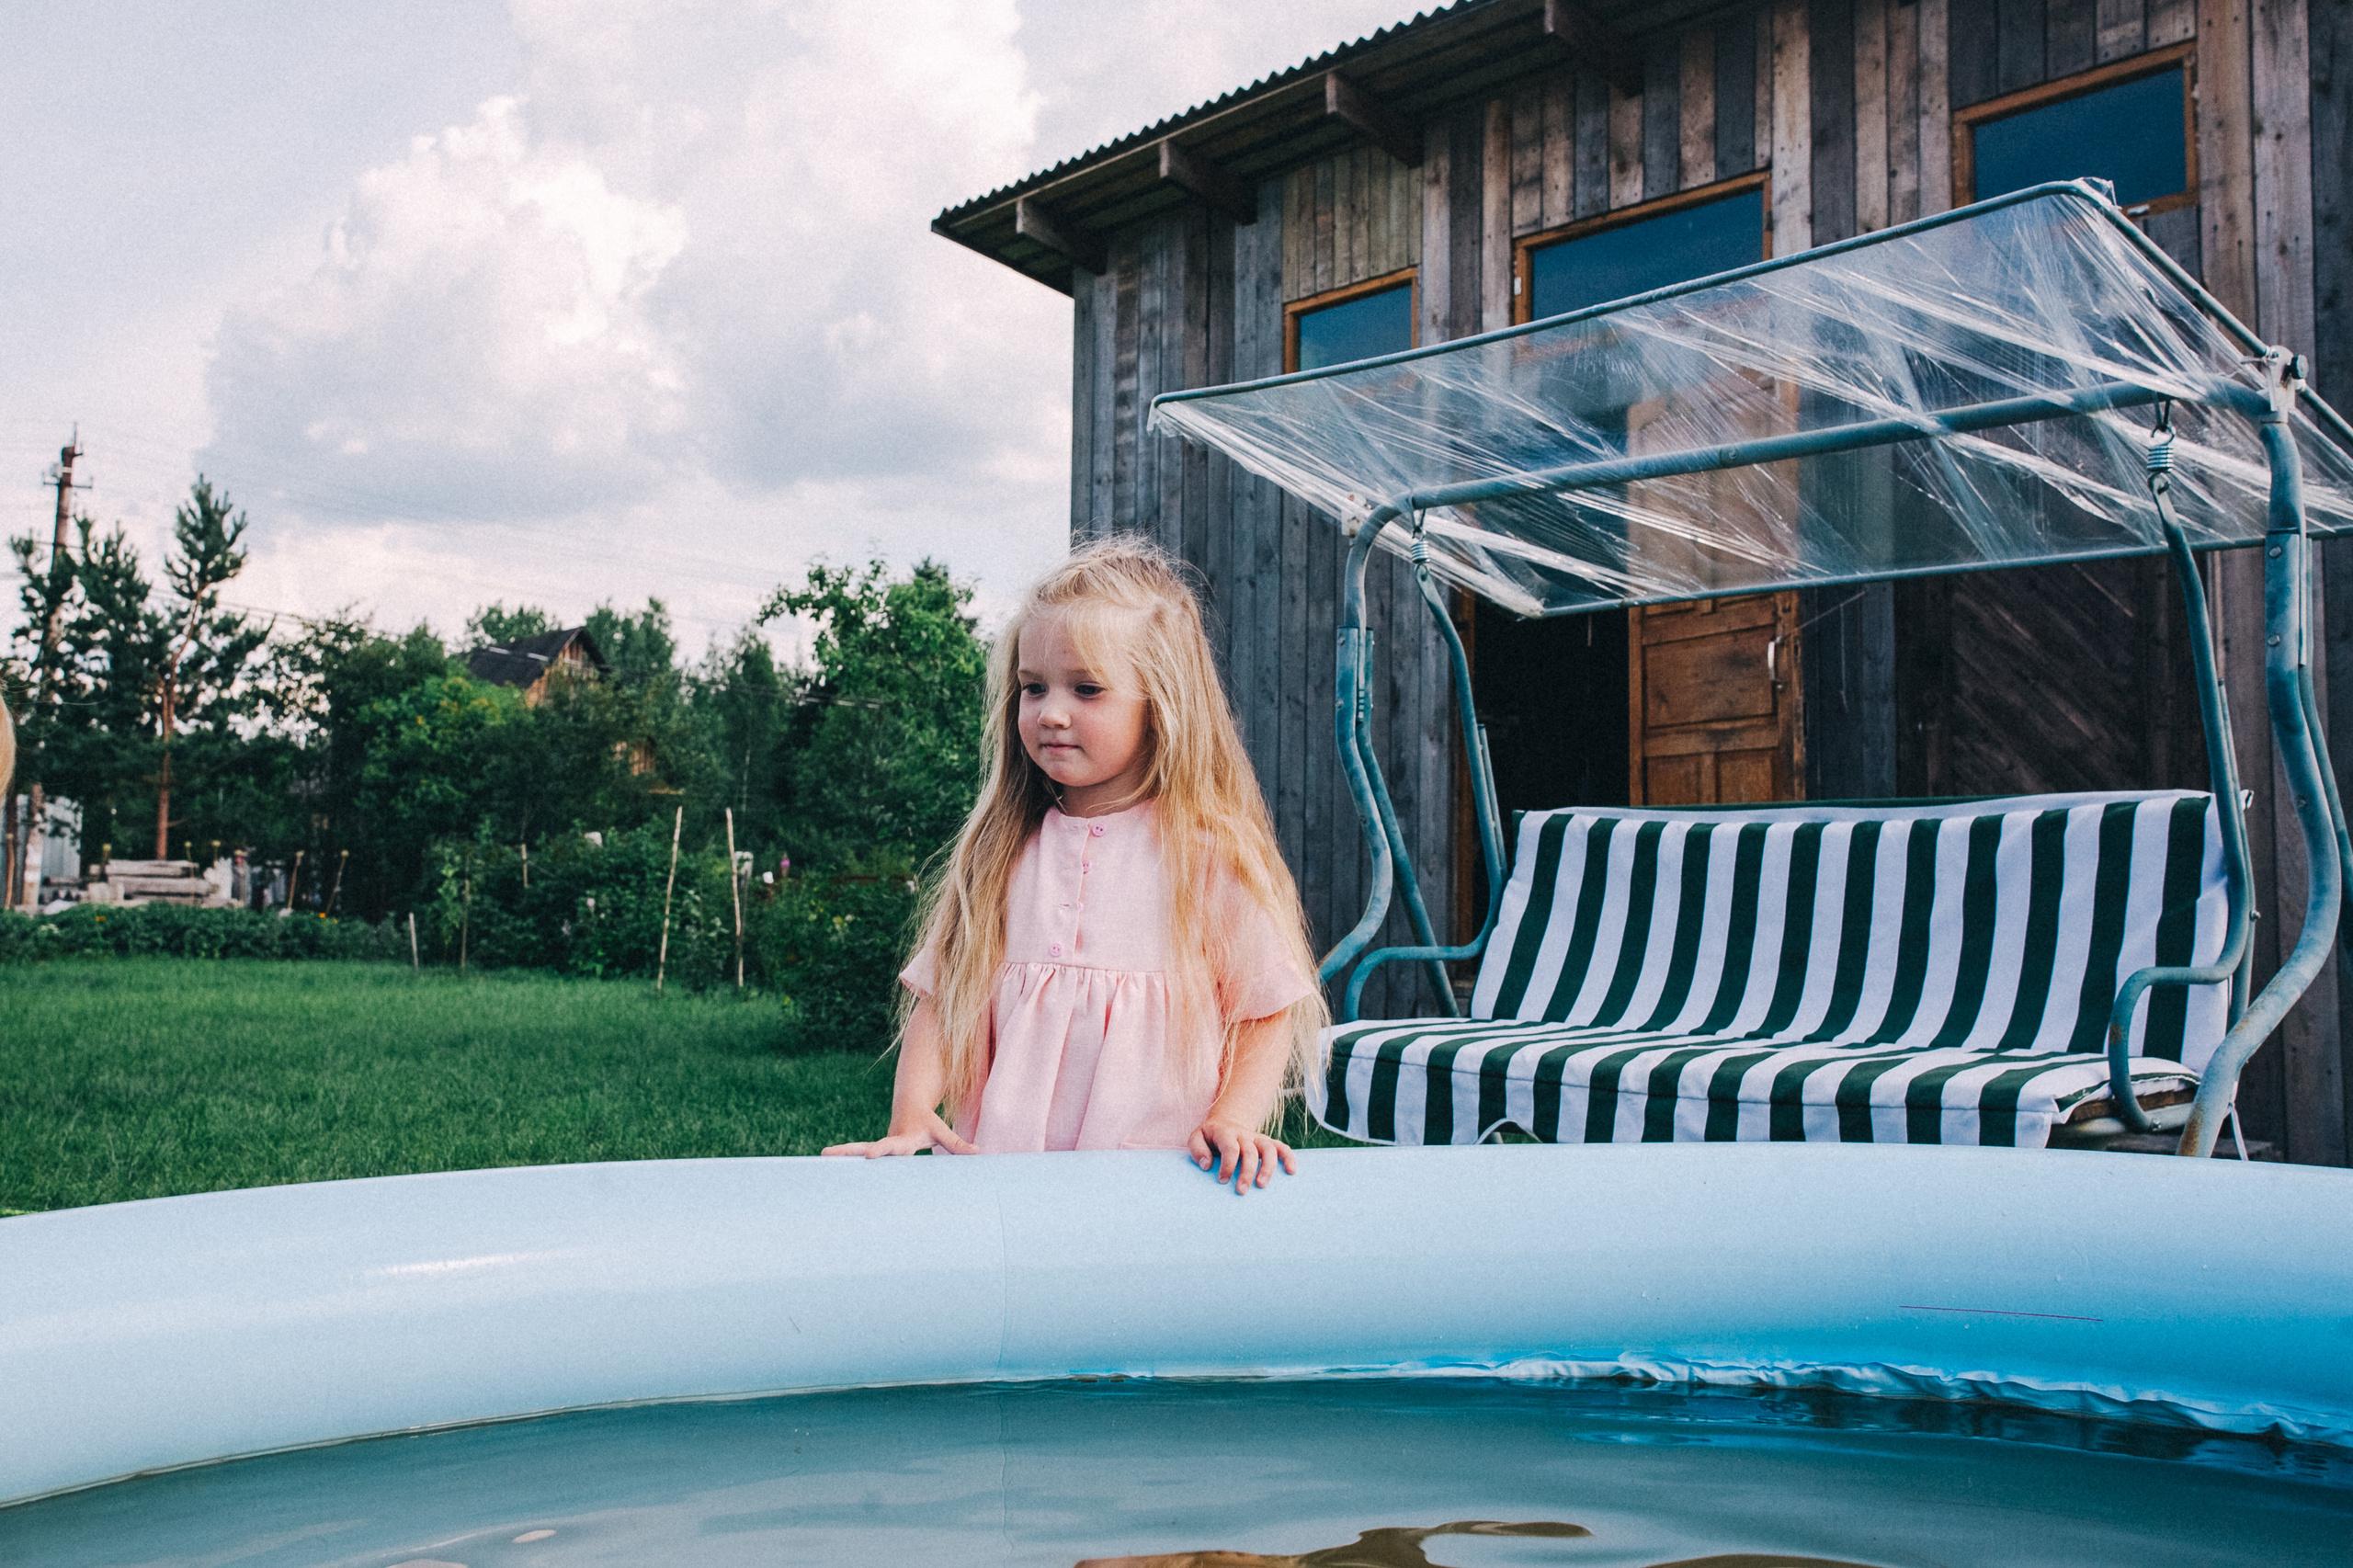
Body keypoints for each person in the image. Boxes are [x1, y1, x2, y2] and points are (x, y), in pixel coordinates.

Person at [822, 537, 1324, 1191]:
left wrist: (1233, 1118)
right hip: (999, 1177)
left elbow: (1265, 1008)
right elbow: (946, 1000)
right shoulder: (1003, 849)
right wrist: (912, 1115)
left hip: (1153, 1183)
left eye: (1087, 689)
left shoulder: (1205, 855)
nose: (1051, 713)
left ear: (1164, 705)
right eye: (1033, 688)